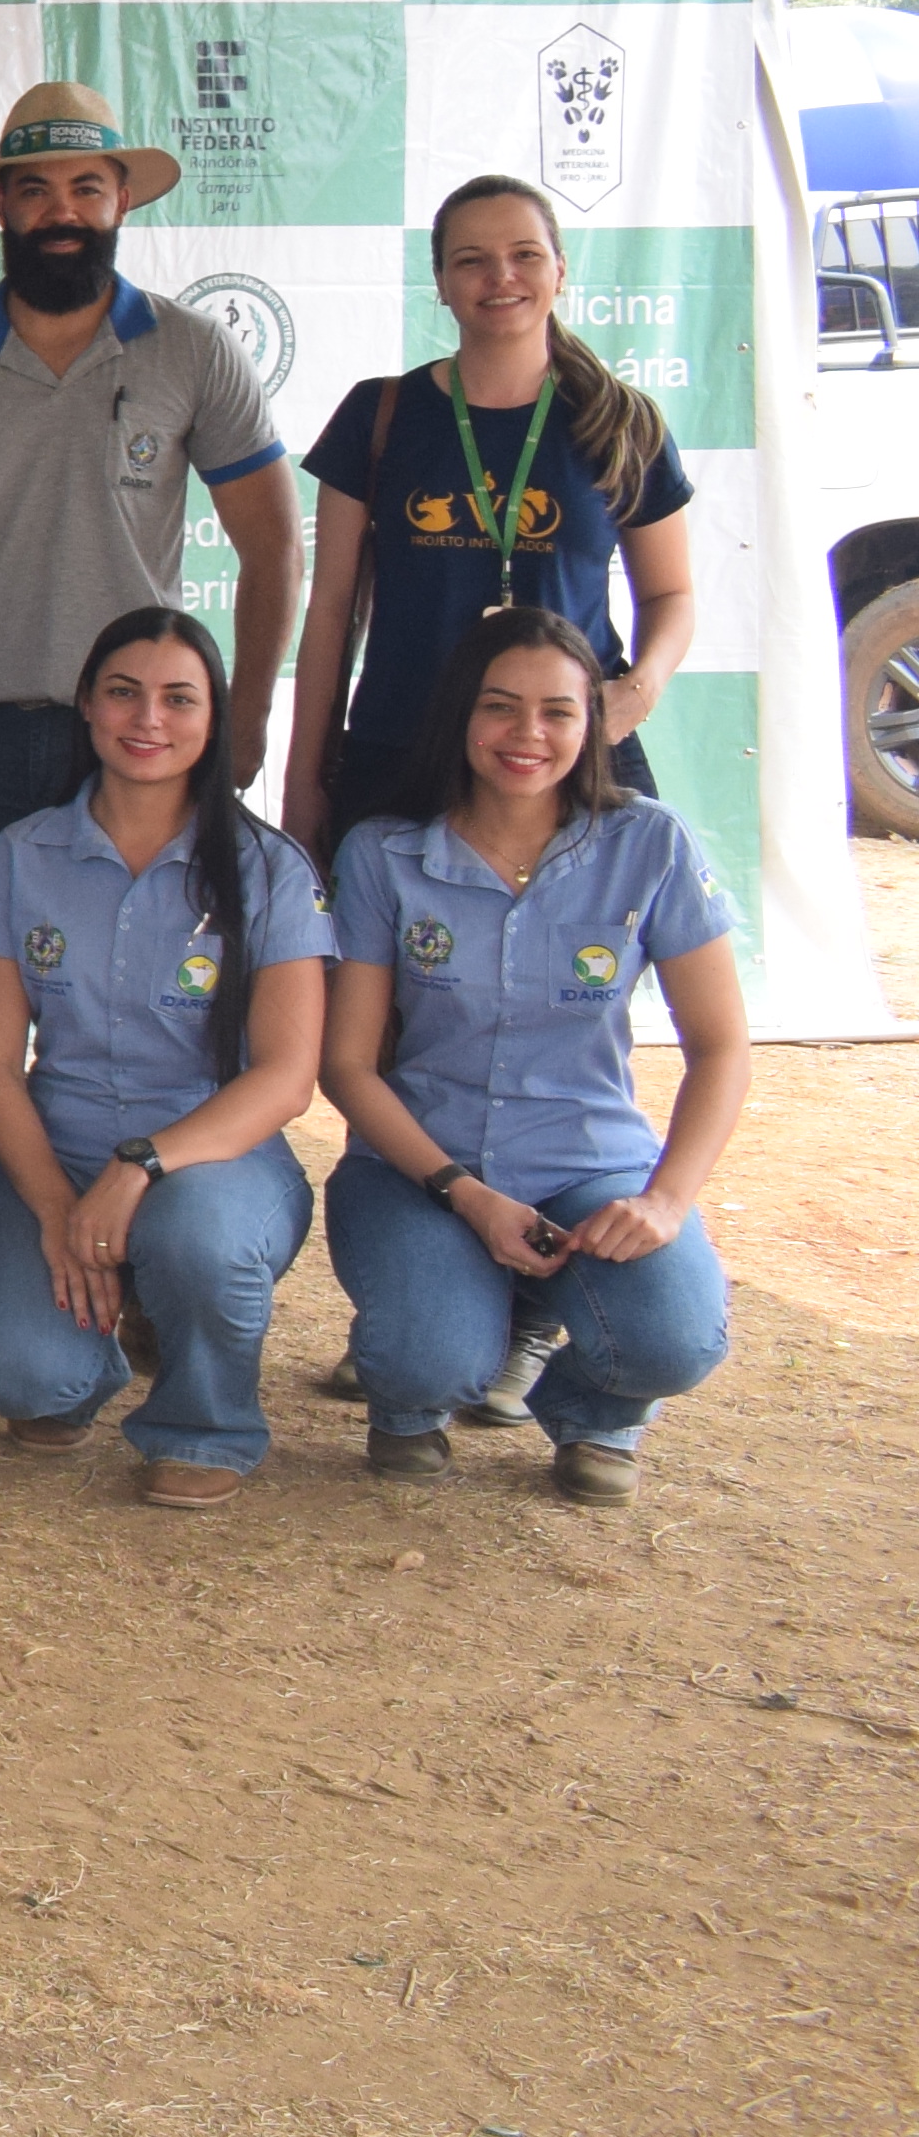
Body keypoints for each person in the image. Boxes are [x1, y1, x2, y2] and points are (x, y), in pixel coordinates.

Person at [0, 83, 299, 1184]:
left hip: (137, 739)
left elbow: (276, 545)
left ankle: (158, 1223)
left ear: (121, 203)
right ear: (0, 203)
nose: (62, 210)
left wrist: (242, 719)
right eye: (36, 187)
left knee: (158, 1000)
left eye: (86, 188)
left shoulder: (194, 350)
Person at [319, 607, 746, 1502]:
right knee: (426, 1356)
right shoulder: (383, 853)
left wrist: (664, 1202)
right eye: (500, 707)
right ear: (458, 716)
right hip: (426, 1168)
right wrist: (465, 1197)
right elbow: (348, 1065)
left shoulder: (649, 843)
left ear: (593, 720)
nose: (528, 735)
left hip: (590, 1165)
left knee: (675, 1339)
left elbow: (721, 1047)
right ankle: (413, 1397)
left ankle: (596, 1414)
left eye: (557, 711)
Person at [0, 608, 332, 1507]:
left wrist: (140, 1167)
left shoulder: (269, 868)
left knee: (195, 1233)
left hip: (212, 1159)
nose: (147, 720)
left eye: (178, 699)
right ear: (85, 705)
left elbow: (287, 1076)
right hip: (57, 1150)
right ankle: (96, 1345)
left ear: (214, 719)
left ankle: (206, 1424)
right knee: (23, 1383)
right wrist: (53, 1208)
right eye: (123, 693)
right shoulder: (22, 855)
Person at [284, 173, 699, 844]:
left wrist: (636, 694)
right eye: (471, 260)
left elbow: (673, 593)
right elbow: (333, 608)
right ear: (441, 284)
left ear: (560, 270)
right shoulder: (380, 414)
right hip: (403, 752)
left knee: (584, 950)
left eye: (525, 254)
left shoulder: (621, 423)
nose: (500, 275)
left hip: (566, 753)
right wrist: (304, 780)